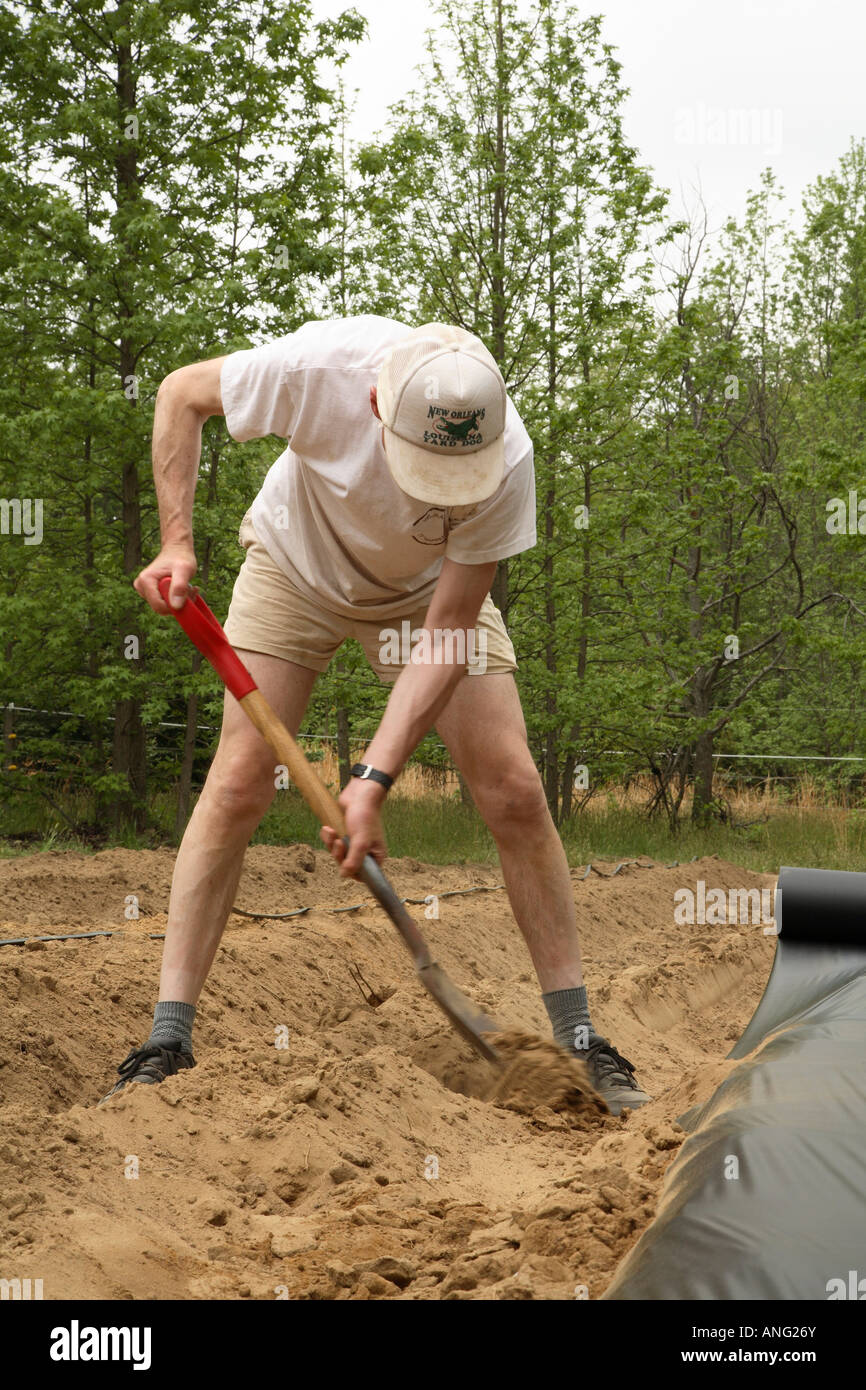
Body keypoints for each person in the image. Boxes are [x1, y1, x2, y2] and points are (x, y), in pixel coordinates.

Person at [104, 316, 650, 1115]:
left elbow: (448, 632)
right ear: (374, 404)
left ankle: (578, 1040)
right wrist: (176, 542)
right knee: (238, 785)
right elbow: (180, 394)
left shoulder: (511, 457)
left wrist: (371, 779)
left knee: (515, 790)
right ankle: (167, 1036)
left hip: (428, 599)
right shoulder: (320, 366)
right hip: (296, 567)